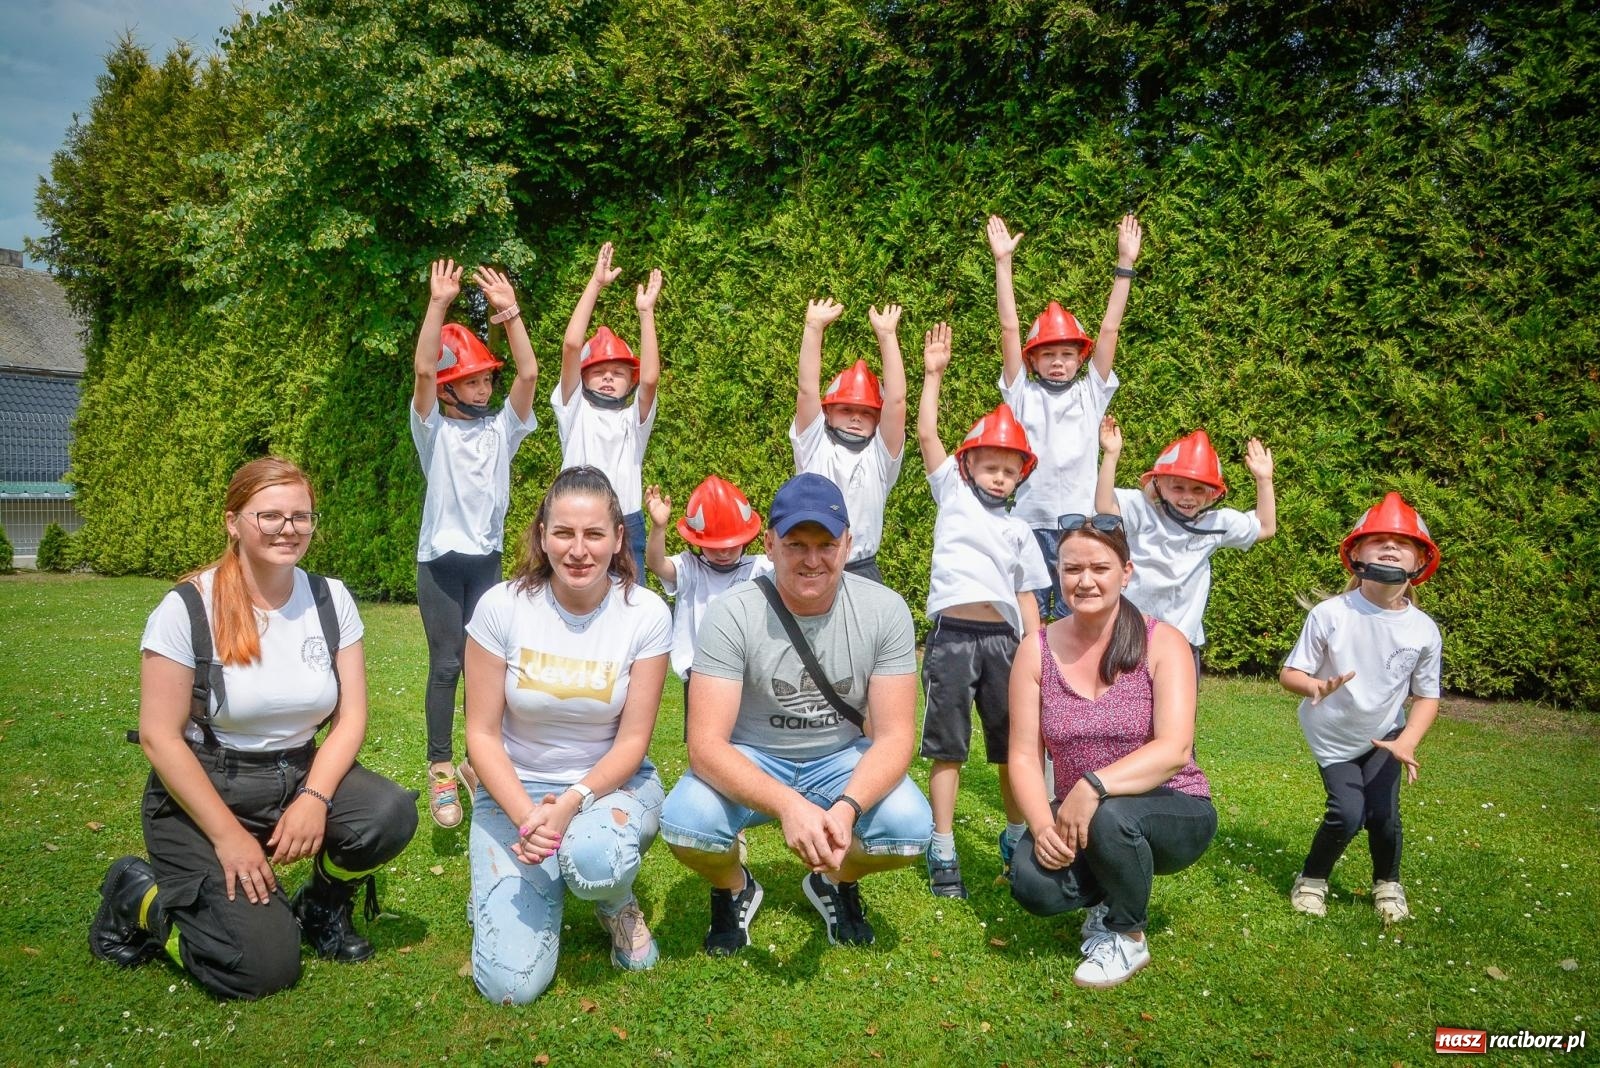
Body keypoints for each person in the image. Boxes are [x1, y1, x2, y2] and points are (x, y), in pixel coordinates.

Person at [89, 457, 418, 1000]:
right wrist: (229, 837)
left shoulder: (331, 598)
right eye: (270, 516)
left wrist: (314, 797)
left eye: (300, 516)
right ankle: (138, 896)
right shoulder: (187, 606)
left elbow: (351, 716)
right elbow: (159, 737)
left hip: (300, 772)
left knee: (389, 813)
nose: (287, 529)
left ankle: (321, 907)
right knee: (262, 969)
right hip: (206, 791)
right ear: (233, 521)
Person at [659, 473, 933, 954]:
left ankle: (833, 879)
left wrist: (846, 809)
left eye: (826, 544)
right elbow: (704, 747)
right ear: (769, 544)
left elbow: (894, 737)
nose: (812, 559)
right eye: (796, 544)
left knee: (910, 829)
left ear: (848, 543)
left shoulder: (886, 611)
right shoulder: (731, 612)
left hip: (840, 756)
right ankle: (733, 884)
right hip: (753, 755)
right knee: (686, 824)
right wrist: (789, 806)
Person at [462, 466, 672, 1005]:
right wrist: (526, 817)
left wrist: (572, 803)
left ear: (618, 537)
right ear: (541, 535)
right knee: (512, 987)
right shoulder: (500, 608)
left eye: (594, 534)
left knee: (596, 858)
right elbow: (481, 735)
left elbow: (632, 744)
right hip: (515, 792)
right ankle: (516, 876)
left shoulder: (645, 614)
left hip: (608, 787)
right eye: (563, 533)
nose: (579, 550)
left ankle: (614, 901)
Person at [1007, 513, 1216, 989]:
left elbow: (1175, 748)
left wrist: (1093, 785)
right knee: (1032, 882)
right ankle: (1110, 887)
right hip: (1082, 812)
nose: (1084, 581)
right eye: (1071, 569)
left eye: (1099, 568)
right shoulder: (1035, 650)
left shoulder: (1165, 642)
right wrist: (1042, 827)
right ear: (1058, 573)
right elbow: (1022, 756)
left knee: (1109, 817)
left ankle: (1127, 934)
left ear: (1126, 572)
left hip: (1172, 806)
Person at [915, 322, 1049, 898]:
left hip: (1006, 645)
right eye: (989, 464)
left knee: (1011, 745)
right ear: (967, 465)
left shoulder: (1020, 529)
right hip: (951, 637)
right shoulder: (952, 493)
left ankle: (1016, 833)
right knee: (947, 748)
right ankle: (942, 844)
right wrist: (933, 376)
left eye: (1009, 467)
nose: (998, 474)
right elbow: (924, 437)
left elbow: (1028, 597)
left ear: (1022, 474)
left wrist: (1037, 649)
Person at [411, 258, 539, 829]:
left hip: (485, 563)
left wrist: (508, 313)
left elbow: (531, 376)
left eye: (488, 378)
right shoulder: (432, 428)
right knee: (447, 665)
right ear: (448, 387)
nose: (485, 386)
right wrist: (439, 304)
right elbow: (420, 369)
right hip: (440, 565)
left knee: (488, 667)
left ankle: (476, 762)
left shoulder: (501, 429)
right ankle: (441, 768)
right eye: (474, 379)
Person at [1280, 492, 1442, 924]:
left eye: (1403, 543)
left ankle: (1388, 884)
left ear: (1421, 562)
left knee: (1385, 816)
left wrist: (1406, 740)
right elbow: (1290, 674)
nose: (1390, 548)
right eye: (1378, 540)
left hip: (1387, 736)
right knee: (1347, 814)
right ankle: (1312, 879)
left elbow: (1427, 696)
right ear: (1354, 553)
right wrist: (1315, 685)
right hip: (1334, 739)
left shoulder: (1424, 630)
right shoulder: (1331, 614)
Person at [989, 214, 1143, 618]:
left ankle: (1073, 683)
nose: (1058, 362)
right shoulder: (1022, 393)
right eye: (1048, 354)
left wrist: (1125, 265)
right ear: (1033, 359)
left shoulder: (1091, 392)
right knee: (1027, 619)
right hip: (1028, 524)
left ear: (1080, 358)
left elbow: (1109, 330)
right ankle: (1029, 683)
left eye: (1067, 354)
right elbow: (1009, 327)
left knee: (1077, 617)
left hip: (1080, 525)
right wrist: (1002, 263)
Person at [1094, 418, 1276, 678]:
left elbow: (1266, 527)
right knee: (1124, 710)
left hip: (1182, 639)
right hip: (1130, 633)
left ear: (1212, 494)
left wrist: (1264, 480)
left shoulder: (1215, 523)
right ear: (1159, 485)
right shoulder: (1143, 511)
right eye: (1177, 487)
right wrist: (1111, 455)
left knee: (1178, 713)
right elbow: (1104, 506)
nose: (1187, 496)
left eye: (1197, 489)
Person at [552, 242, 662, 581]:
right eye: (600, 371)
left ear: (630, 379)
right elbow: (571, 346)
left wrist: (646, 313)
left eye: (618, 372)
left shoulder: (633, 421)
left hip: (626, 524)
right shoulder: (574, 411)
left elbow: (652, 379)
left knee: (630, 616)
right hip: (577, 522)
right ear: (584, 377)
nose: (609, 378)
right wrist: (595, 284)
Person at [790, 298, 908, 584]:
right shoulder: (813, 443)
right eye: (846, 410)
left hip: (861, 571)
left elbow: (896, 400)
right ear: (827, 412)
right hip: (809, 564)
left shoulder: (880, 457)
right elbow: (807, 390)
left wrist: (888, 337)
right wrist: (813, 328)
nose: (855, 418)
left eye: (866, 413)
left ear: (877, 419)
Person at [643, 475, 771, 685]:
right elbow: (656, 563)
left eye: (731, 545)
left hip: (747, 672)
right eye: (715, 547)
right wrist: (658, 528)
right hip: (698, 673)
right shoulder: (690, 568)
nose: (724, 553)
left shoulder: (759, 568)